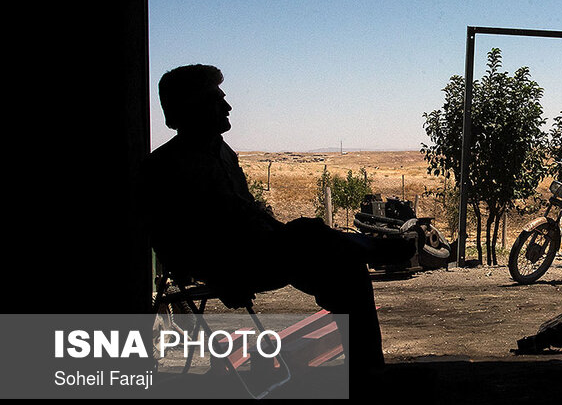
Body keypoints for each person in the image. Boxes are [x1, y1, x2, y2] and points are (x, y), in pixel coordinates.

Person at [140, 64, 413, 377]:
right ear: (193, 108)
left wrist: (278, 231)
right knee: (319, 243)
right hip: (233, 265)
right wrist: (222, 278)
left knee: (343, 263)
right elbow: (169, 240)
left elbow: (246, 211)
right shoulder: (164, 167)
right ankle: (368, 369)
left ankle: (366, 373)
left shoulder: (222, 153)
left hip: (262, 251)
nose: (227, 107)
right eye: (217, 100)